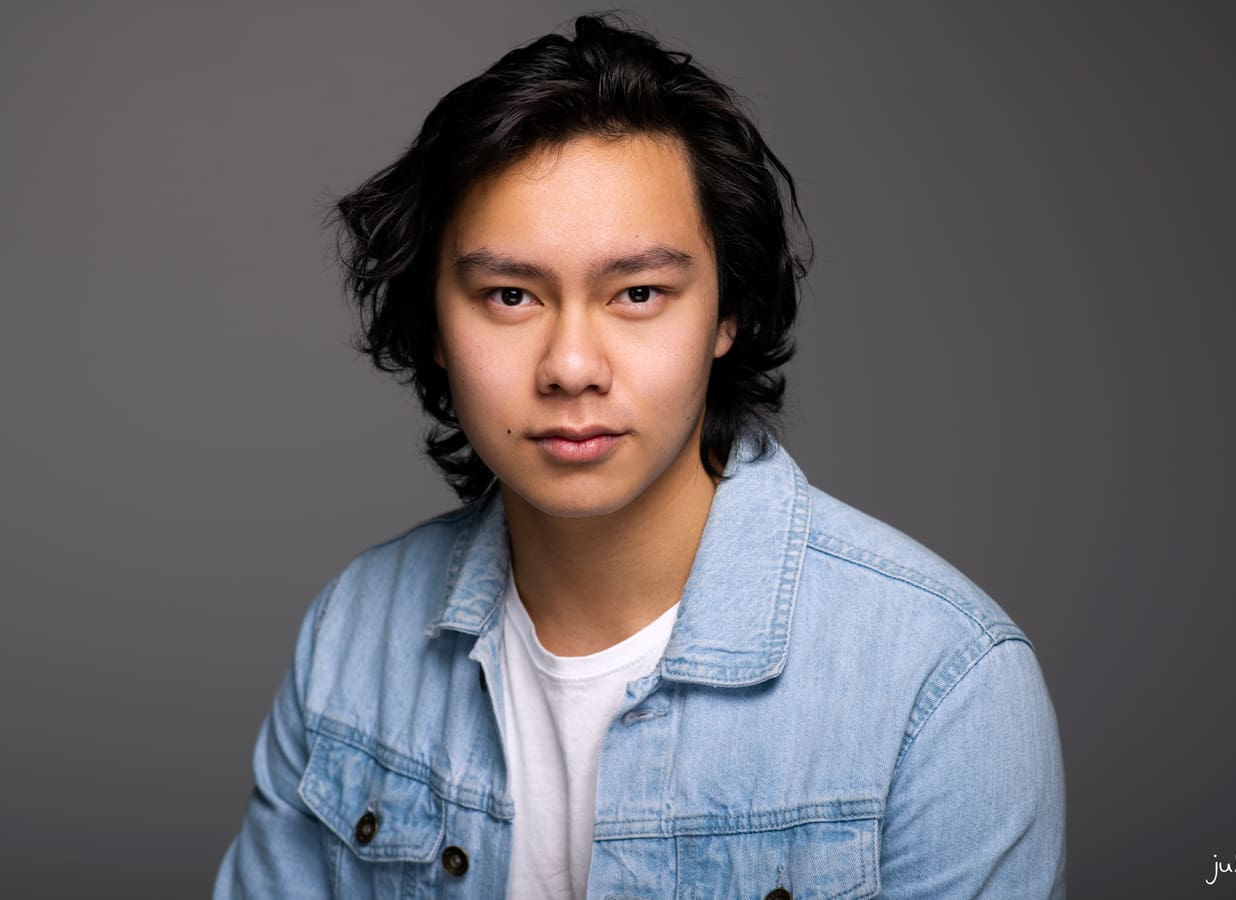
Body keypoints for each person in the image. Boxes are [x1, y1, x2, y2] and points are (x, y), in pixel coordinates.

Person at [214, 14, 1066, 898]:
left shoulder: (941, 684)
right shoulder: (355, 637)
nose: (572, 366)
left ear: (727, 314)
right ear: (435, 325)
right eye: (510, 295)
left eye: (638, 293)